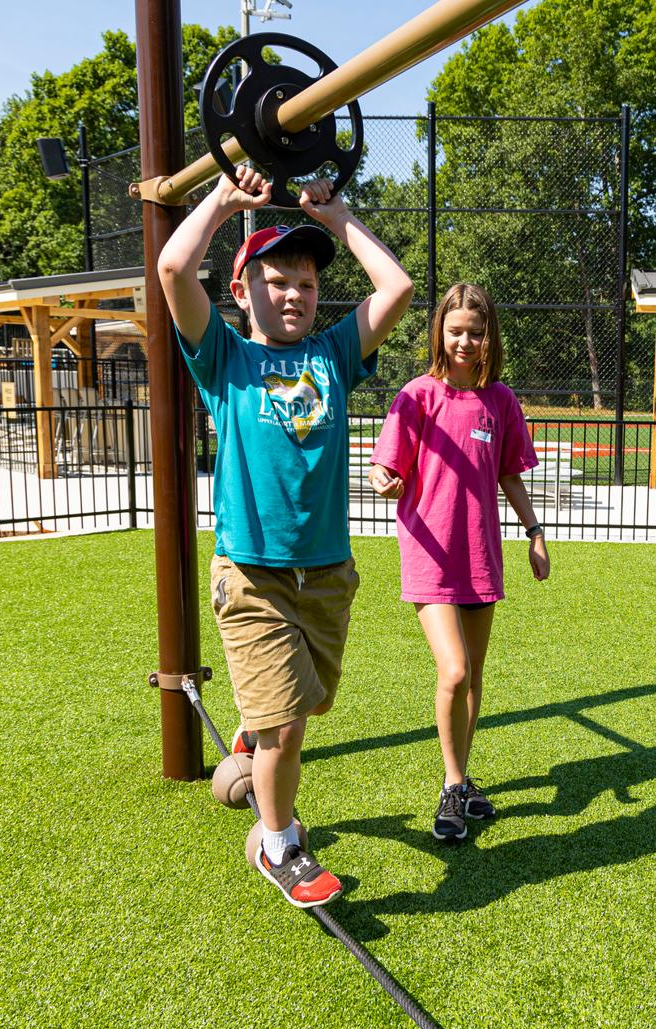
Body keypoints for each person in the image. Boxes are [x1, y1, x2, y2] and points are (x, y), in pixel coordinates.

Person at [157, 163, 413, 908]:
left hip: (327, 571)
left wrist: (338, 220)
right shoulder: (225, 359)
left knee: (312, 703)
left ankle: (254, 727)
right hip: (254, 574)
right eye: (275, 281)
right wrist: (224, 199)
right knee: (286, 728)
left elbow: (394, 291)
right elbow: (175, 266)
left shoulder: (333, 355)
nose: (294, 294)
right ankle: (278, 846)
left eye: (305, 283)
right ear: (241, 292)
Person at [368, 282, 551, 842]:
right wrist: (382, 480)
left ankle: (462, 778)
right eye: (455, 331)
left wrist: (535, 533)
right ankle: (452, 784)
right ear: (439, 335)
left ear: (489, 335)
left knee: (473, 678)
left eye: (476, 331)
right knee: (452, 670)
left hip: (480, 555)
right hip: (430, 553)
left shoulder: (500, 401)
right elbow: (385, 467)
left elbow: (508, 475)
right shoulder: (418, 395)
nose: (466, 341)